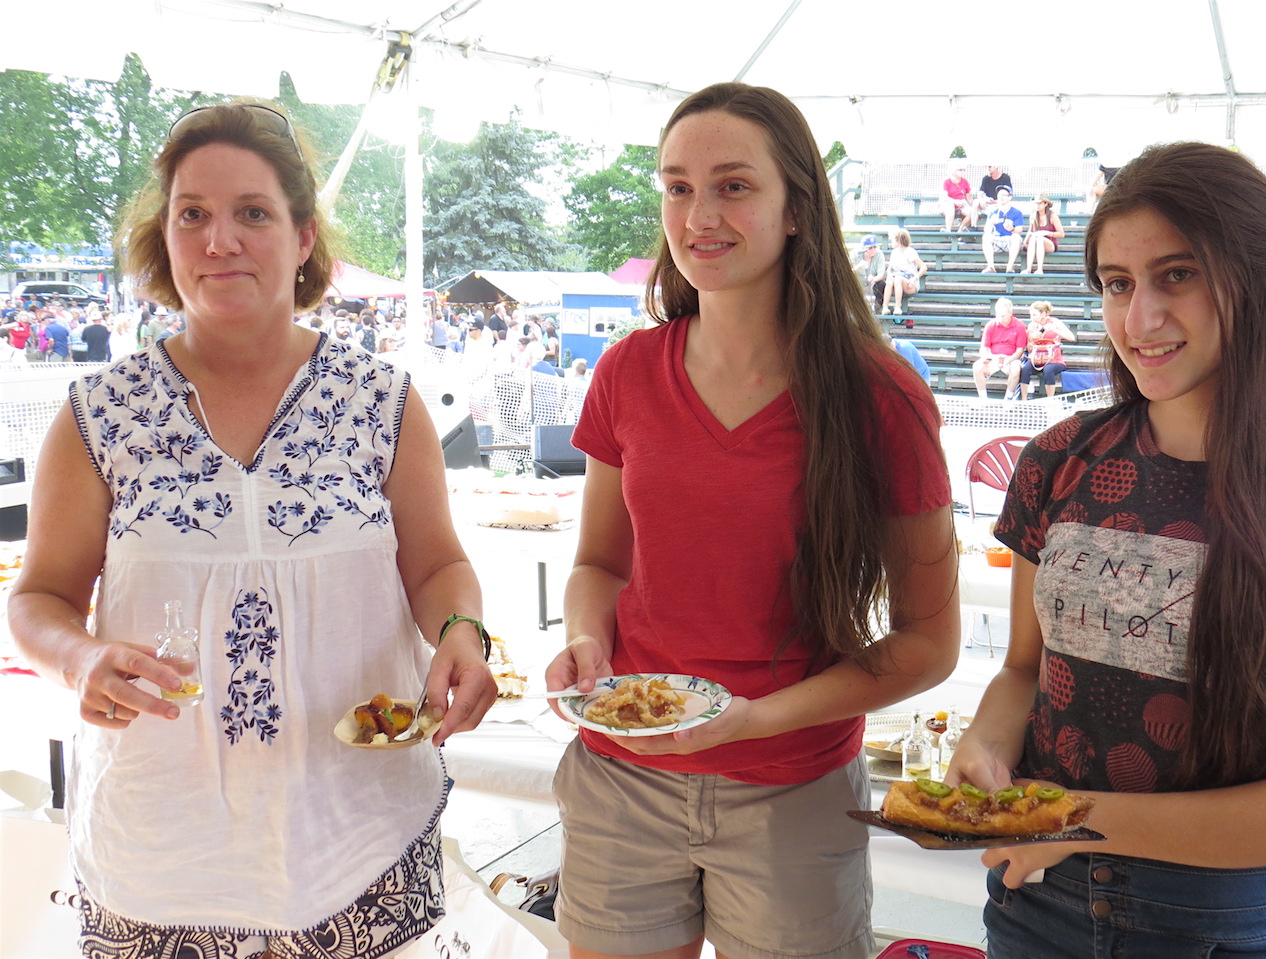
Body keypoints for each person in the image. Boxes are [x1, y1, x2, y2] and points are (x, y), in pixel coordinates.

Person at [7, 100, 498, 959]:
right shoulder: (100, 415)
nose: (219, 240)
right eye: (192, 214)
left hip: (361, 835)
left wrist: (462, 632)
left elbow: (438, 567)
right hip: (161, 853)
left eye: (253, 214)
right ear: (164, 237)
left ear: (304, 238)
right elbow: (39, 597)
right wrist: (78, 657)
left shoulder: (381, 402)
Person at [952, 141, 1266, 958]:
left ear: (1256, 281)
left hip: (1225, 923)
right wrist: (986, 744)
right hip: (1038, 902)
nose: (1139, 319)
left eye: (1177, 275)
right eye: (1117, 283)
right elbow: (1025, 670)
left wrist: (1075, 818)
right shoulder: (1058, 460)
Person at [544, 81, 959, 959]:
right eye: (678, 187)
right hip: (623, 778)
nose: (700, 215)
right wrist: (585, 639)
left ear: (797, 208)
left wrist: (755, 720)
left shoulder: (881, 395)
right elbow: (599, 566)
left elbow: (928, 644)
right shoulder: (627, 371)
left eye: (733, 186)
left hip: (792, 794)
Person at [1016, 300, 1075, 398]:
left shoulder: (1055, 322)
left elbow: (1072, 337)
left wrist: (1055, 330)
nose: (1032, 318)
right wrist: (1031, 339)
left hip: (1054, 360)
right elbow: (1029, 348)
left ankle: (1050, 399)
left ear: (1043, 314)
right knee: (1025, 369)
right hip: (1037, 359)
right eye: (1031, 315)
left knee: (1048, 370)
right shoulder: (1032, 326)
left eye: (1034, 315)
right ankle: (1024, 399)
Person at [971, 297, 1028, 398]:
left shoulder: (1020, 326)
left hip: (1011, 357)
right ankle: (983, 397)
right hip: (993, 357)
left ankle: (1008, 397)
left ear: (1010, 313)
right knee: (977, 366)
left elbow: (1020, 350)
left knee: (1015, 368)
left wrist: (1010, 359)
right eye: (998, 315)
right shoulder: (991, 325)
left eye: (1003, 316)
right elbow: (984, 347)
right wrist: (985, 357)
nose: (1000, 318)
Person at [879, 228, 927, 317]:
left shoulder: (910, 252)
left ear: (898, 240)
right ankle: (885, 307)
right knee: (890, 281)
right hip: (896, 278)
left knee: (898, 279)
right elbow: (889, 268)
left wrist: (914, 278)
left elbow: (923, 267)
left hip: (909, 281)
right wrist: (889, 274)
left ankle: (898, 307)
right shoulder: (894, 252)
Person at [981, 186, 1026, 274]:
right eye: (999, 195)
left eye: (1004, 195)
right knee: (986, 237)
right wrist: (991, 223)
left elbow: (1019, 230)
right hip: (997, 240)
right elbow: (986, 230)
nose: (1001, 197)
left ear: (1010, 197)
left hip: (1010, 241)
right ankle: (990, 267)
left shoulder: (1016, 212)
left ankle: (1010, 267)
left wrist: (1012, 229)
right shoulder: (993, 212)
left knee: (1016, 237)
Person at [1019, 194, 1064, 275]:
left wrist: (1046, 233)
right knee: (1033, 238)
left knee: (1039, 238)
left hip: (1050, 243)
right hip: (1036, 241)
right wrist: (1025, 242)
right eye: (1036, 203)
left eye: (1039, 203)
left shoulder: (1052, 216)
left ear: (1045, 204)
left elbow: (1061, 234)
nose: (1037, 205)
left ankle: (1039, 269)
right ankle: (1028, 269)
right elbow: (1031, 231)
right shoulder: (1033, 216)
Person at [852, 233, 887, 312]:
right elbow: (848, 273)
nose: (873, 250)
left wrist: (874, 278)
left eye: (875, 247)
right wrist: (858, 266)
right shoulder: (854, 254)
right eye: (870, 248)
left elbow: (881, 274)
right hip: (857, 283)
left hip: (872, 284)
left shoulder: (879, 254)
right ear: (863, 248)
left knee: (881, 284)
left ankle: (878, 309)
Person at [940, 160, 974, 233]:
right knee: (950, 205)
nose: (962, 172)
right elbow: (944, 197)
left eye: (963, 170)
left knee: (972, 212)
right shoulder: (947, 181)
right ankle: (948, 231)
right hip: (949, 204)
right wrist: (954, 202)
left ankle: (960, 231)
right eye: (960, 170)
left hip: (961, 204)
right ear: (954, 170)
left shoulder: (965, 181)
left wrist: (975, 207)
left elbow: (969, 198)